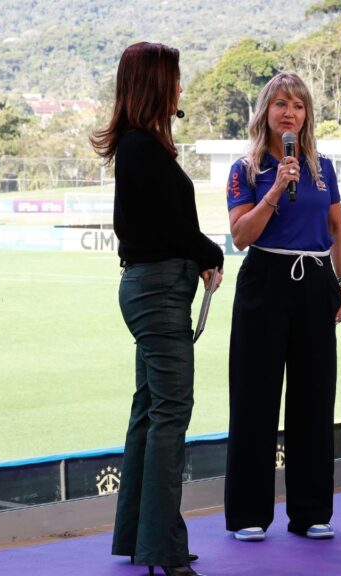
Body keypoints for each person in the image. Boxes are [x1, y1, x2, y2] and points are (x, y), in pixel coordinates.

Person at [91, 41, 223, 576]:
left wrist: (199, 254)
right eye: (175, 79)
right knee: (169, 416)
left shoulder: (138, 146)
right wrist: (210, 252)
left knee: (149, 412)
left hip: (152, 288)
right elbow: (171, 230)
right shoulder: (143, 149)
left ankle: (141, 539)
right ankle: (162, 550)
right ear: (156, 85)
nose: (180, 89)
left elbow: (165, 228)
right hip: (158, 291)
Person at [223, 72, 341, 542]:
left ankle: (311, 512)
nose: (290, 113)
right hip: (265, 282)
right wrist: (276, 190)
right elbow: (240, 237)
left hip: (316, 281)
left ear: (307, 114)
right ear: (265, 112)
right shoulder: (246, 168)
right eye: (281, 103)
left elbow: (337, 228)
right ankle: (248, 516)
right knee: (255, 401)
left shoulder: (322, 166)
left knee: (314, 399)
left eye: (298, 105)